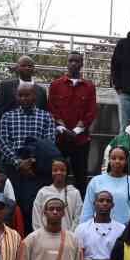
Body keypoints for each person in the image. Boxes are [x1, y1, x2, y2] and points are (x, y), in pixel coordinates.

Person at [48, 52, 98, 187]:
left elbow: (91, 111)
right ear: (67, 63)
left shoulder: (89, 87)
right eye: (71, 61)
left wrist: (76, 131)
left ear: (82, 64)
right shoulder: (55, 85)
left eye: (77, 61)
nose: (73, 64)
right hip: (59, 139)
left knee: (80, 177)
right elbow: (52, 109)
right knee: (57, 176)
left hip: (81, 141)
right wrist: (62, 129)